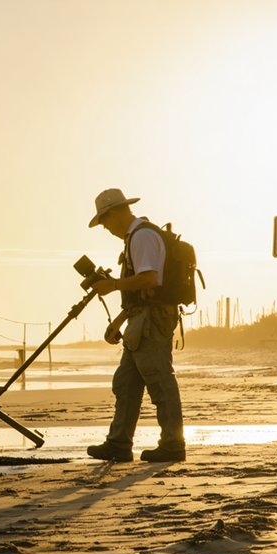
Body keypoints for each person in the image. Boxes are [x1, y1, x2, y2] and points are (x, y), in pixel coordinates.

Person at [85, 187, 186, 463]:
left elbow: (151, 280)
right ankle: (118, 444)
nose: (105, 228)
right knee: (126, 384)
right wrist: (119, 321)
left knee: (159, 380)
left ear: (116, 213)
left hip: (152, 321)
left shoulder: (142, 237)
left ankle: (173, 445)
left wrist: (113, 285)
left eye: (105, 221)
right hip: (140, 319)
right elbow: (139, 294)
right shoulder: (136, 237)